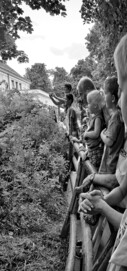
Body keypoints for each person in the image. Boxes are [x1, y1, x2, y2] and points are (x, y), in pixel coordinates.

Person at [79, 33, 127, 270]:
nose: (118, 100)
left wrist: (103, 207)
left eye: (123, 85)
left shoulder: (113, 119)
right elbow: (123, 186)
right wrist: (101, 199)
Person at [99, 76, 125, 175]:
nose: (104, 97)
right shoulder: (118, 115)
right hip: (114, 164)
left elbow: (109, 141)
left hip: (110, 165)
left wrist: (102, 134)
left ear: (113, 98)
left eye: (105, 93)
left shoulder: (116, 116)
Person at [82, 90, 106, 170]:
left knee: (93, 169)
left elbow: (96, 133)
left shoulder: (98, 118)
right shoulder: (95, 117)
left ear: (95, 105)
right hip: (92, 151)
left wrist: (86, 134)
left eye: (89, 103)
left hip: (96, 152)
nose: (87, 105)